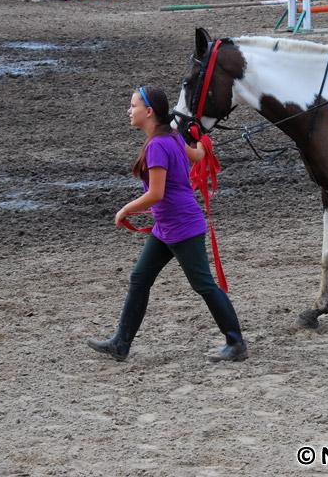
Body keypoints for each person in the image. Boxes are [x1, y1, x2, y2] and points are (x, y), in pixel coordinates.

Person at [87, 86, 248, 363]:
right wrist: (202, 142)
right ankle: (120, 343)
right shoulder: (171, 137)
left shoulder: (158, 145)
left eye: (133, 105)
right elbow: (196, 156)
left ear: (148, 112)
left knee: (204, 285)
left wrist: (125, 209)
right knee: (140, 279)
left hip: (183, 227)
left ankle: (236, 343)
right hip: (167, 228)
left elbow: (156, 194)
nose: (129, 110)